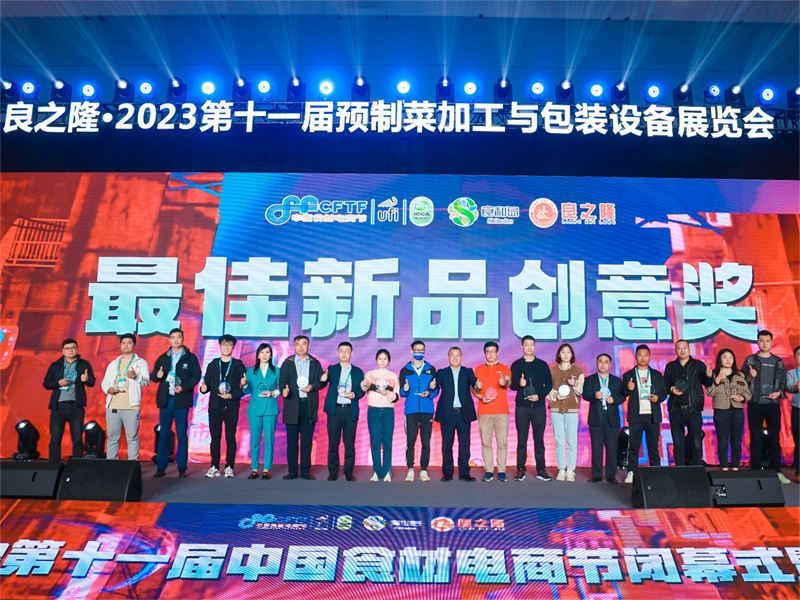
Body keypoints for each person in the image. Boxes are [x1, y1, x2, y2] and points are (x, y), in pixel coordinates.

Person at [151, 327, 201, 478]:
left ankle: (182, 468)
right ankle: (161, 467)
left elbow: (196, 377)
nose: (176, 340)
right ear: (169, 340)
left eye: (179, 337)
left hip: (181, 401)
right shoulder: (163, 357)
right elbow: (153, 377)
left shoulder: (190, 358)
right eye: (173, 337)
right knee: (163, 435)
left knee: (181, 435)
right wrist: (158, 375)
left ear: (183, 339)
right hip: (166, 401)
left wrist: (183, 387)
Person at [743, 330, 789, 483]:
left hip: (773, 404)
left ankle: (777, 471)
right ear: (757, 342)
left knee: (774, 439)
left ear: (771, 343)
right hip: (755, 403)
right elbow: (741, 381)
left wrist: (778, 393)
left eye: (767, 341)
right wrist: (750, 376)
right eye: (761, 340)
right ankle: (756, 471)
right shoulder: (750, 360)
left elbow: (783, 382)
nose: (764, 343)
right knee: (756, 438)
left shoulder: (778, 361)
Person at [200, 334, 247, 478]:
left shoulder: (239, 365)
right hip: (215, 406)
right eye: (224, 344)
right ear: (219, 346)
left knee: (230, 437)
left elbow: (245, 389)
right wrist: (203, 388)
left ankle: (229, 466)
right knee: (215, 438)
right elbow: (206, 385)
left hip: (231, 406)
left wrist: (234, 394)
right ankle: (214, 466)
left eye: (229, 344)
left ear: (233, 347)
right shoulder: (213, 365)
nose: (226, 347)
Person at [279, 335, 324, 480]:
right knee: (292, 441)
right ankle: (292, 471)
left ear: (308, 346)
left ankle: (305, 472)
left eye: (304, 344)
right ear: (294, 347)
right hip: (292, 405)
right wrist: (284, 390)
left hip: (308, 406)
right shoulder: (288, 363)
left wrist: (312, 386)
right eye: (297, 344)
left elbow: (321, 381)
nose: (300, 347)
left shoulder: (315, 363)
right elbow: (282, 381)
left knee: (306, 441)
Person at [43, 338, 96, 462]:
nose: (70, 350)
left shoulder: (84, 364)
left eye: (73, 348)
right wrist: (58, 383)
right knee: (55, 439)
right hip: (58, 407)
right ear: (63, 351)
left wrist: (86, 379)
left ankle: (76, 466)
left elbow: (92, 382)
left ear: (77, 349)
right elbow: (46, 383)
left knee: (77, 439)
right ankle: (54, 467)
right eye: (67, 348)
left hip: (76, 408)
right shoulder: (55, 365)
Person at [510, 335, 553, 482]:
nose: (529, 347)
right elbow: (512, 386)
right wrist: (519, 384)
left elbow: (549, 384)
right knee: (522, 440)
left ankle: (541, 470)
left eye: (531, 344)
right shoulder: (516, 365)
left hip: (538, 407)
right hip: (522, 407)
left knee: (539, 440)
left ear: (535, 346)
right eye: (526, 345)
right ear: (522, 347)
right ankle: (520, 470)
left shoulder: (542, 365)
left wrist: (539, 396)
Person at [621, 344, 667, 484]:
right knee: (634, 446)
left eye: (645, 355)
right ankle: (631, 472)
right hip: (636, 415)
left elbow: (663, 392)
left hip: (652, 415)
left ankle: (655, 473)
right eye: (640, 355)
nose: (643, 358)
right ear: (636, 357)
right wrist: (628, 388)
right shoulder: (628, 375)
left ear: (649, 357)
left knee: (653, 447)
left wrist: (658, 398)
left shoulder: (657, 375)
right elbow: (623, 393)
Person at [664, 340, 714, 466]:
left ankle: (696, 470)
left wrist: (709, 376)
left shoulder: (698, 365)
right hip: (676, 409)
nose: (682, 351)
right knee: (678, 444)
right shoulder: (670, 366)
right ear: (675, 350)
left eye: (684, 348)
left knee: (696, 443)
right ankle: (681, 471)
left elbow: (707, 384)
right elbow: (665, 384)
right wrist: (671, 389)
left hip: (694, 409)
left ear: (689, 349)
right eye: (679, 348)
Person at [101, 333, 150, 461]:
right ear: (120, 345)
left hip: (131, 406)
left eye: (129, 342)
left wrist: (135, 377)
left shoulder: (141, 362)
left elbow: (147, 381)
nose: (126, 345)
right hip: (113, 405)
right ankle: (111, 464)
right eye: (123, 343)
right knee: (112, 437)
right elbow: (105, 382)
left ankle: (132, 464)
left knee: (132, 437)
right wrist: (108, 389)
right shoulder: (113, 363)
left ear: (134, 344)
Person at [435, 347, 480, 482]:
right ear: (448, 357)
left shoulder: (467, 371)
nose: (455, 358)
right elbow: (435, 385)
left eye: (457, 355)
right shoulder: (442, 372)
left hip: (463, 414)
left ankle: (464, 473)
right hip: (447, 414)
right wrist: (432, 385)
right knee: (447, 445)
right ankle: (447, 473)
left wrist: (478, 385)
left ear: (461, 357)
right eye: (452, 355)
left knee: (465, 445)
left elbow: (475, 383)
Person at [322, 342, 365, 481]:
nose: (344, 353)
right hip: (334, 410)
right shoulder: (332, 369)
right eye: (341, 351)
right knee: (333, 443)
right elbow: (322, 382)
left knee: (349, 443)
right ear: (337, 353)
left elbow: (362, 390)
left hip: (350, 410)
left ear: (351, 354)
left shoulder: (358, 372)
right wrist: (322, 379)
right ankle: (333, 473)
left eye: (347, 351)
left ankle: (349, 472)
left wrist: (354, 394)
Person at [399, 340, 439, 482]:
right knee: (410, 441)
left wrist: (430, 392)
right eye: (416, 349)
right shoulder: (405, 370)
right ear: (412, 351)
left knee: (426, 441)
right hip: (411, 411)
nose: (419, 352)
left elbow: (436, 391)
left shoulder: (431, 369)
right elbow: (401, 392)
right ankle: (410, 469)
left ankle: (423, 470)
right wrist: (405, 390)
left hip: (427, 410)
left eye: (422, 350)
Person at [582, 353, 625, 483]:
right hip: (596, 418)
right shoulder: (589, 380)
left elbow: (623, 396)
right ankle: (597, 475)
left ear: (610, 365)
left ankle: (611, 475)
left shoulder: (617, 381)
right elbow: (585, 394)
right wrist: (594, 395)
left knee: (612, 448)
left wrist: (614, 399)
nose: (603, 364)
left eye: (606, 362)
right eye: (600, 361)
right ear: (597, 364)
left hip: (612, 419)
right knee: (596, 447)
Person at [472, 341, 512, 482]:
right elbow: (473, 389)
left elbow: (509, 381)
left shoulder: (504, 368)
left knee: (502, 443)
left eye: (493, 351)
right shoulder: (478, 370)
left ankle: (501, 470)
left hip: (501, 411)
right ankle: (489, 470)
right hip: (484, 411)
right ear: (484, 353)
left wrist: (505, 382)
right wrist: (481, 396)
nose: (490, 354)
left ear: (497, 353)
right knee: (486, 443)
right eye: (488, 351)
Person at [706, 349, 751, 470]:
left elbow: (748, 393)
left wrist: (741, 397)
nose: (728, 360)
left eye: (731, 357)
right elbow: (709, 392)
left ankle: (735, 467)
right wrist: (717, 379)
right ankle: (724, 467)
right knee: (723, 442)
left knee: (736, 442)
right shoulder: (713, 374)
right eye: (725, 357)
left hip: (737, 411)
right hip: (721, 412)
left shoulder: (740, 375)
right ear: (720, 359)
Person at [242, 343, 281, 480]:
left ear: (271, 355)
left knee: (269, 440)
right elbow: (246, 391)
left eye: (267, 352)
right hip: (254, 409)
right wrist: (244, 384)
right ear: (258, 355)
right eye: (262, 352)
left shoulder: (277, 371)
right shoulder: (250, 371)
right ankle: (254, 469)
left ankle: (266, 469)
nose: (265, 355)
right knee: (255, 440)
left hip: (270, 408)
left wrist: (273, 393)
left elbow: (282, 388)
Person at [361, 349, 400, 482]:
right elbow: (364, 387)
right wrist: (365, 383)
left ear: (388, 361)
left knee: (387, 441)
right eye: (380, 359)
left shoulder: (393, 376)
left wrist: (387, 394)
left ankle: (387, 471)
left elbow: (397, 396)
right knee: (375, 442)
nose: (382, 361)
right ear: (376, 360)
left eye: (385, 359)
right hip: (373, 411)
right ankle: (376, 472)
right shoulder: (370, 374)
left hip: (388, 411)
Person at [548, 343, 584, 482]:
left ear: (572, 355)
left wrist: (574, 383)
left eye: (568, 352)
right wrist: (555, 395)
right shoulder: (553, 370)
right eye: (563, 352)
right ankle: (561, 469)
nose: (565, 355)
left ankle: (571, 470)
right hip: (556, 409)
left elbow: (581, 390)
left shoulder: (578, 371)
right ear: (559, 354)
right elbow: (547, 389)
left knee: (571, 441)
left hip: (572, 410)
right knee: (558, 440)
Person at [786, 346, 800, 483]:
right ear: (795, 357)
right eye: (799, 354)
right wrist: (796, 387)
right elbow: (789, 387)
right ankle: (799, 471)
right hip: (798, 410)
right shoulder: (792, 373)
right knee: (799, 442)